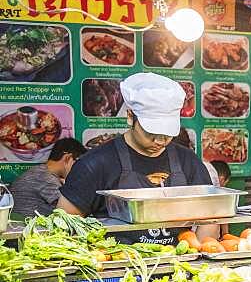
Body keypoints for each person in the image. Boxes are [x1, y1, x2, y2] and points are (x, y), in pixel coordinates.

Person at [57, 72, 215, 245]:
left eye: (167, 132)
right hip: (118, 267)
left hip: (178, 265)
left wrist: (199, 253)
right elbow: (63, 226)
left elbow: (209, 217)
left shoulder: (188, 161)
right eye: (151, 132)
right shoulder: (95, 164)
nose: (160, 141)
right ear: (130, 116)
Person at [10, 138, 86, 217]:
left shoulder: (41, 172)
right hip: (24, 227)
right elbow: (72, 212)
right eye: (79, 164)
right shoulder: (44, 177)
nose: (80, 170)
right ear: (67, 158)